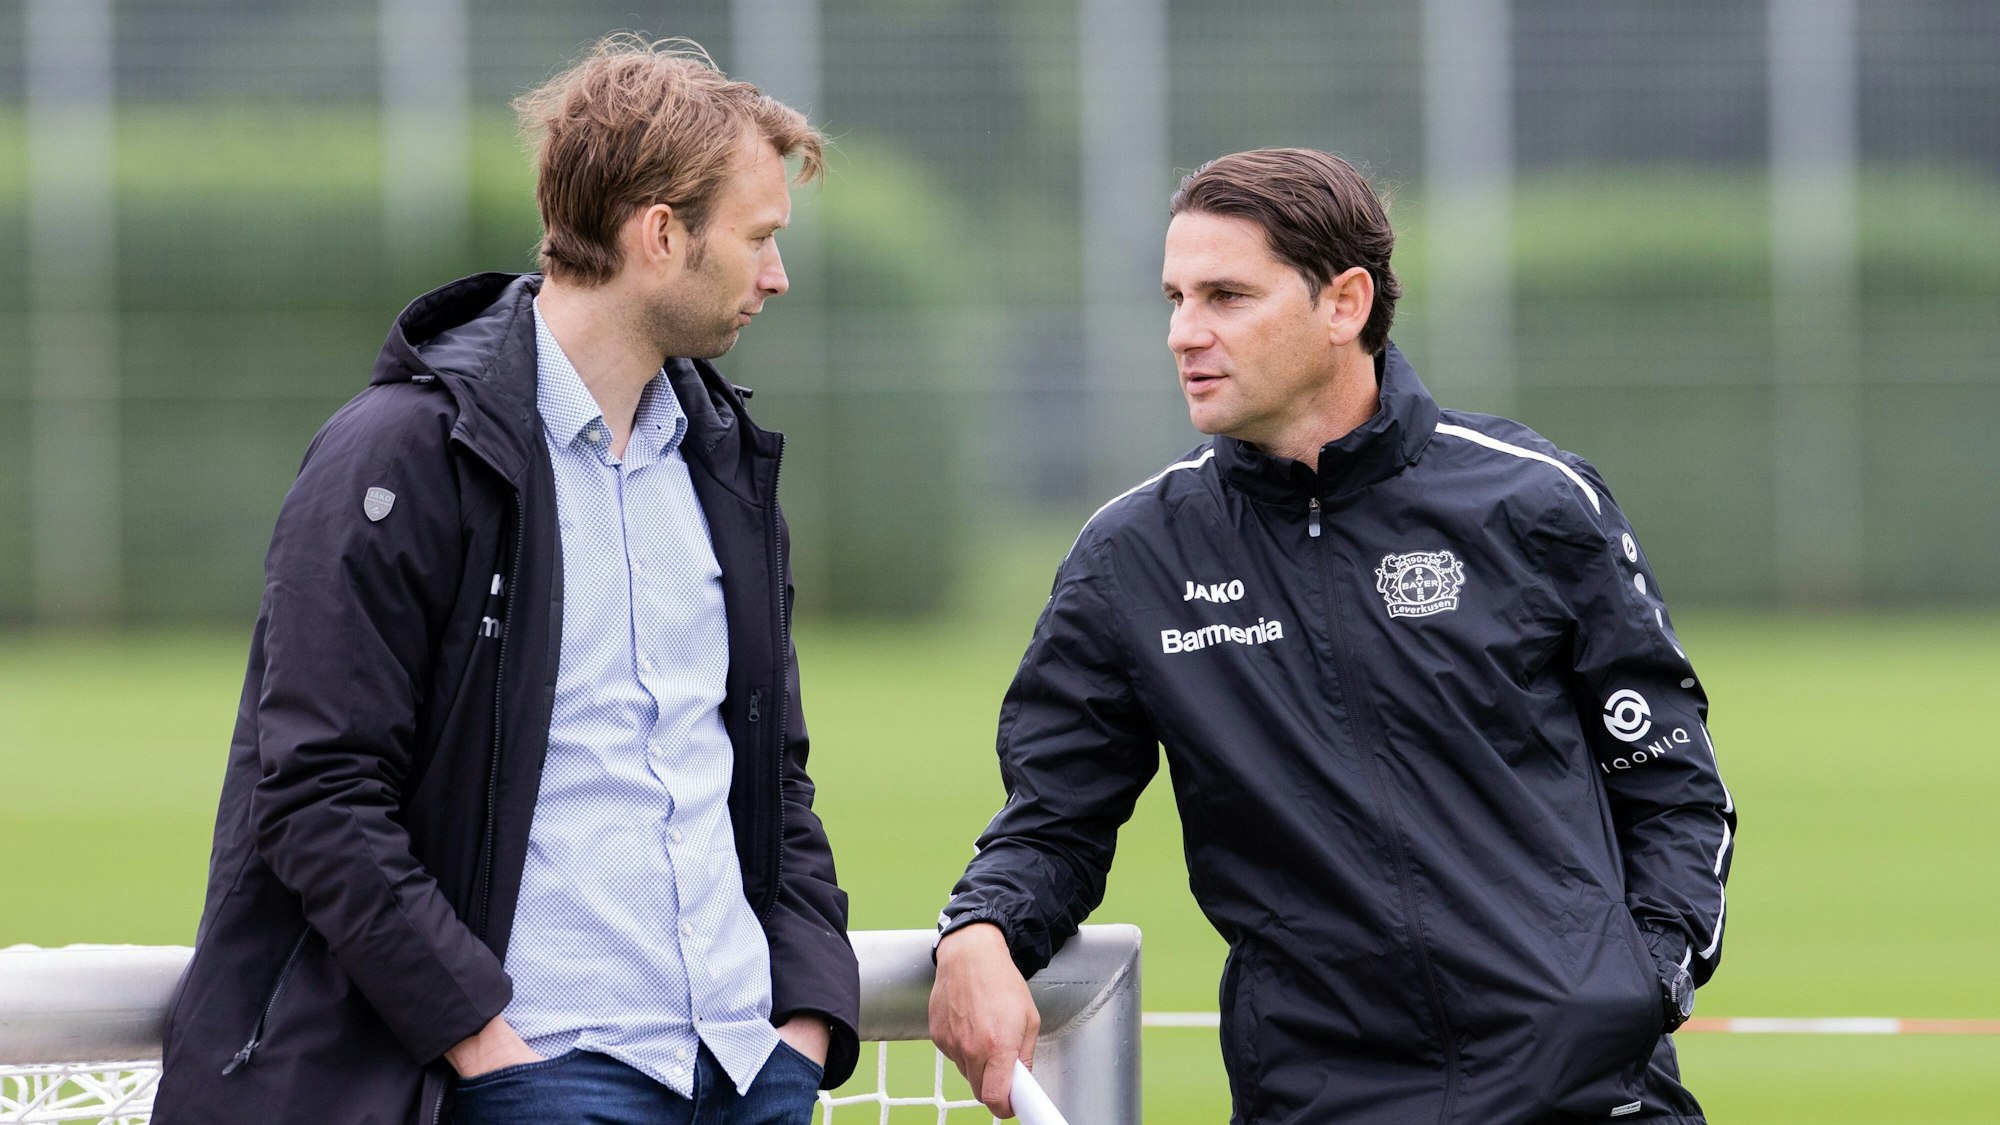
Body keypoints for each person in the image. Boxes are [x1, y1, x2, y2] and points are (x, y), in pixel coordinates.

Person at [929, 148, 1734, 1125]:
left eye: (1225, 296)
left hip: (1587, 1096)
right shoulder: (1131, 558)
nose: (1185, 333)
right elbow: (1053, 824)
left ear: (1342, 304)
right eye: (1174, 298)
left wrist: (1635, 986)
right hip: (1320, 1101)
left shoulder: (1533, 502)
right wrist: (978, 931)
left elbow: (1671, 786)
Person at [156, 36, 858, 1125]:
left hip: (743, 1073)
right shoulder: (393, 457)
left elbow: (773, 775)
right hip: (540, 1080)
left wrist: (802, 1027)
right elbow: (317, 797)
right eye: (759, 238)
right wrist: (491, 1053)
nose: (776, 274)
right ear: (660, 234)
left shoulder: (722, 459)